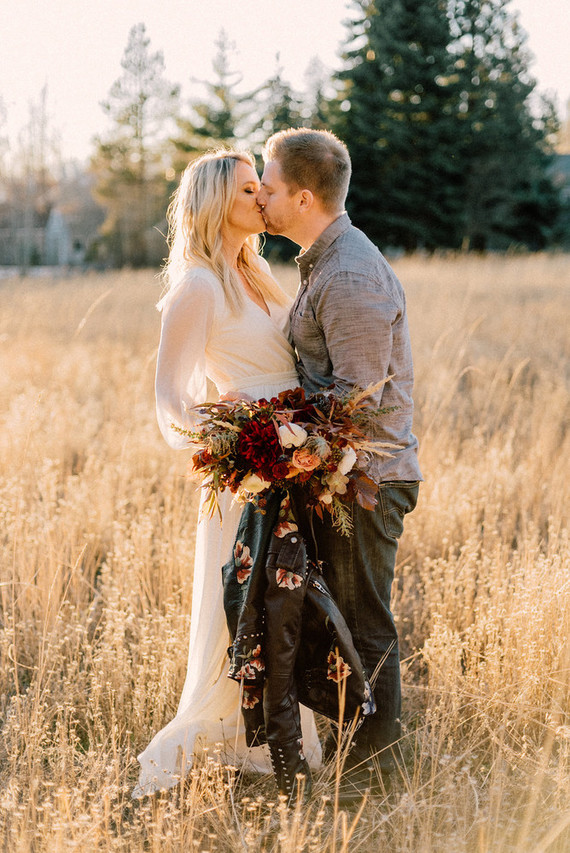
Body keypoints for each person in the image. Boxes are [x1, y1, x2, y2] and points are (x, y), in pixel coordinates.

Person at [132, 149, 321, 798]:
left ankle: (275, 746)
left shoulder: (260, 272)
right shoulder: (198, 286)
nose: (263, 197)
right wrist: (227, 442)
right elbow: (170, 394)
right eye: (249, 189)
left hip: (292, 464)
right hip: (246, 476)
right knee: (242, 618)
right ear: (218, 202)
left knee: (286, 611)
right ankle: (192, 752)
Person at [257, 128, 422, 801]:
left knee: (364, 619)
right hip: (346, 477)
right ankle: (365, 754)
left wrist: (273, 429)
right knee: (347, 617)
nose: (260, 199)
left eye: (267, 188)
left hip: (369, 481)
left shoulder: (349, 273)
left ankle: (380, 771)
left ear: (301, 196)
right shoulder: (324, 262)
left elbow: (354, 397)